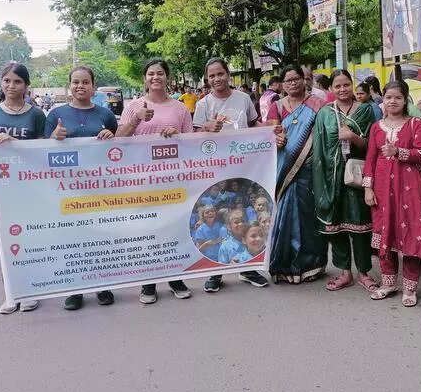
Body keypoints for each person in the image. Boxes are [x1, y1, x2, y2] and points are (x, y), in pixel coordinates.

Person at [115, 59, 193, 303]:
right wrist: (137, 119)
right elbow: (119, 139)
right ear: (144, 78)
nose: (155, 77)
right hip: (142, 180)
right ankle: (148, 283)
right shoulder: (134, 106)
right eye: (151, 74)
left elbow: (192, 143)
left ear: (167, 77)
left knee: (172, 228)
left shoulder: (180, 108)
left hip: (172, 180)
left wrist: (177, 135)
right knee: (147, 229)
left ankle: (175, 278)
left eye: (160, 73)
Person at [0, 63, 46, 314]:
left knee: (28, 239)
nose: (11, 86)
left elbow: (43, 154)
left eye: (17, 81)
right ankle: (12, 292)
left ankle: (31, 290)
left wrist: (16, 143)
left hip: (27, 187)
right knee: (4, 241)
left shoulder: (36, 115)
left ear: (26, 85)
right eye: (6, 81)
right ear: (0, 83)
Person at [44, 65, 118, 311]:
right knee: (72, 236)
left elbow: (117, 149)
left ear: (93, 86)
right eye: (75, 82)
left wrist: (110, 136)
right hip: (67, 188)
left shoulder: (105, 114)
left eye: (85, 82)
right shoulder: (55, 114)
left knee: (100, 235)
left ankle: (102, 285)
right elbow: (40, 151)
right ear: (70, 86)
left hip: (99, 186)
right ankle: (74, 289)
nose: (80, 86)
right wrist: (54, 137)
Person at [193, 57, 266, 291]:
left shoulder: (244, 99)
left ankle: (247, 268)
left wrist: (271, 131)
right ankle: (215, 273)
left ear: (228, 74)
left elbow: (254, 126)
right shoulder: (203, 104)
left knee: (242, 218)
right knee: (219, 224)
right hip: (215, 175)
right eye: (212, 76)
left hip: (243, 171)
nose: (217, 79)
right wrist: (206, 127)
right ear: (207, 79)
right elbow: (193, 137)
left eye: (220, 74)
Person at [363, 80, 421, 306]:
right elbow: (370, 159)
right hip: (382, 191)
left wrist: (398, 151)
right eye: (388, 97)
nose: (392, 101)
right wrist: (368, 188)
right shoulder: (376, 127)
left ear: (405, 100)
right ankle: (388, 283)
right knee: (385, 235)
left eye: (398, 97)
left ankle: (410, 289)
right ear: (383, 99)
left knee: (411, 236)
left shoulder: (416, 124)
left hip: (410, 190)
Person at [312, 69, 376, 292]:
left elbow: (372, 145)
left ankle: (364, 273)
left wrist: (353, 137)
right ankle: (345, 273)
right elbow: (319, 149)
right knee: (336, 227)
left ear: (352, 85)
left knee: (360, 226)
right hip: (331, 178)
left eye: (346, 84)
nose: (342, 89)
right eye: (337, 86)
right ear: (331, 89)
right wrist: (320, 180)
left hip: (357, 177)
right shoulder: (324, 113)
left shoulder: (365, 110)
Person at [266, 64, 328, 283]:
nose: (292, 83)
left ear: (304, 80)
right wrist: (276, 138)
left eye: (296, 79)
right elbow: (271, 133)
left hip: (310, 170)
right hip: (285, 170)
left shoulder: (318, 104)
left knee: (308, 217)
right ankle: (284, 266)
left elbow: (325, 134)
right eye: (288, 80)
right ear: (282, 84)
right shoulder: (276, 106)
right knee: (285, 216)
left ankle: (312, 265)